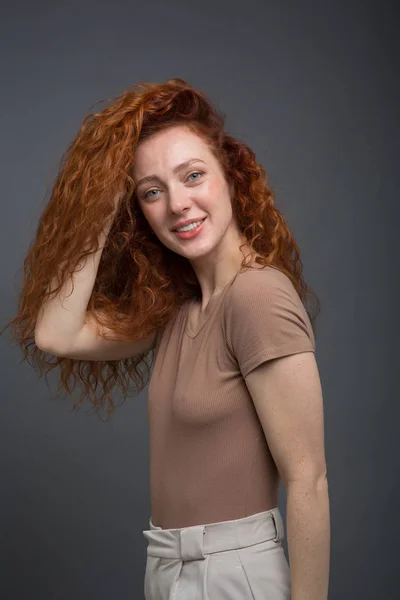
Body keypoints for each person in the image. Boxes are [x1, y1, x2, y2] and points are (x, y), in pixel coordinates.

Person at [2, 78, 330, 599]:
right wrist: (102, 204)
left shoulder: (258, 297)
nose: (178, 203)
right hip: (167, 567)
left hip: (231, 573)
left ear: (232, 178)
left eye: (193, 175)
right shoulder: (177, 310)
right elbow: (54, 333)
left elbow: (308, 479)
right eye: (151, 191)